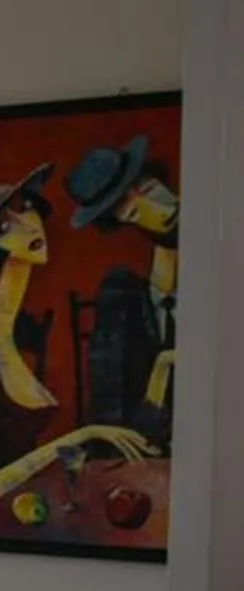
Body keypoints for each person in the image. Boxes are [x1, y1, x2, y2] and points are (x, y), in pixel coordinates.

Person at [0, 165, 150, 519]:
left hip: (28, 515)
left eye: (26, 207)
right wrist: (82, 434)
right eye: (3, 228)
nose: (28, 225)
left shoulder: (15, 336)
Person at [64, 137, 177, 450]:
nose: (159, 212)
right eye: (132, 212)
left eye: (153, 191)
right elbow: (118, 424)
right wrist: (163, 365)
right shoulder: (122, 296)